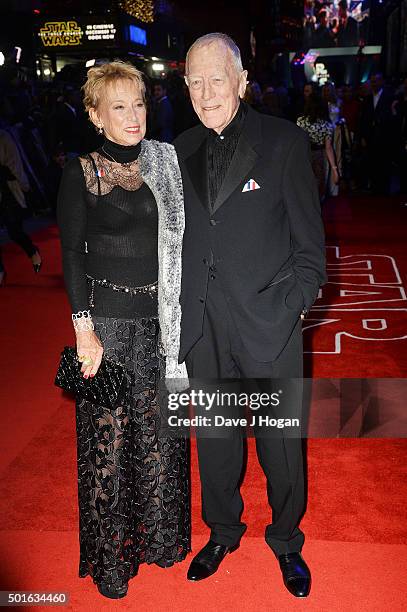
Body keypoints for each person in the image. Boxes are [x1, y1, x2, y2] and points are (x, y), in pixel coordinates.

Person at [174, 33, 326, 598]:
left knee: (281, 445)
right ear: (185, 86)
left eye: (218, 78)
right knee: (215, 441)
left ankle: (287, 541)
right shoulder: (178, 149)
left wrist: (290, 305)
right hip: (204, 327)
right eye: (195, 80)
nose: (207, 90)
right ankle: (222, 532)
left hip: (270, 324)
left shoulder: (284, 143)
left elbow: (312, 249)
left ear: (241, 81)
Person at [57, 61, 190, 599]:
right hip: (107, 326)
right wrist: (83, 330)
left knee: (161, 435)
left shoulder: (164, 162)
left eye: (138, 104)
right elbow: (70, 254)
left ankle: (160, 541)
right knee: (108, 444)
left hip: (161, 322)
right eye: (119, 107)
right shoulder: (81, 172)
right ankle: (112, 560)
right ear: (95, 115)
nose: (133, 117)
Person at [0, 129, 42, 285]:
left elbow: (14, 163)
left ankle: (32, 251)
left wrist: (24, 185)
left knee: (14, 230)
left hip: (7, 189)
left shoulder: (4, 136)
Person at [359, 73, 397, 194]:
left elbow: (392, 118)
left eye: (376, 81)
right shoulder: (368, 99)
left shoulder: (390, 97)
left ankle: (384, 188)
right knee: (372, 163)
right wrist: (363, 137)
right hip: (371, 138)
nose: (374, 84)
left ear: (382, 82)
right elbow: (364, 120)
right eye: (372, 81)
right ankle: (374, 187)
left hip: (384, 137)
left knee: (384, 163)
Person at [297, 91, 338, 201]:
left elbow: (297, 143)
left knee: (305, 186)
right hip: (319, 156)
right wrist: (334, 169)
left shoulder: (301, 121)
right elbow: (328, 148)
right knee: (318, 186)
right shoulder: (326, 125)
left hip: (304, 156)